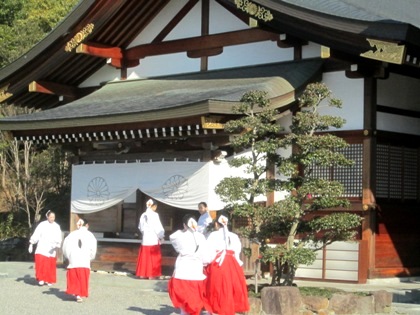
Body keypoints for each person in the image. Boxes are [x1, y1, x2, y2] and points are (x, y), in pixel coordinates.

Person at [204, 212, 250, 315]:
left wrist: (205, 263)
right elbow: (237, 252)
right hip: (232, 264)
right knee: (229, 289)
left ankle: (216, 310)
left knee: (216, 289)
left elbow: (208, 252)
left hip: (218, 264)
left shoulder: (213, 235)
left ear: (216, 224)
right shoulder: (234, 236)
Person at [168, 214, 209, 315]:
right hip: (196, 270)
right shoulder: (201, 237)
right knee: (195, 299)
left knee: (183, 298)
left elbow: (172, 237)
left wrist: (184, 229)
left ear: (184, 225)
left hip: (183, 269)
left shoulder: (180, 235)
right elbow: (206, 256)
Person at [62, 218, 97, 303]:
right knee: (82, 277)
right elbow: (93, 248)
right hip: (85, 259)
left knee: (74, 276)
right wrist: (91, 257)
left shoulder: (72, 234)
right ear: (87, 225)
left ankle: (76, 292)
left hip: (74, 259)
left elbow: (65, 247)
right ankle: (80, 294)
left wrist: (68, 257)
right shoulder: (90, 235)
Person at [28, 210, 62, 286]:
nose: (52, 218)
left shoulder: (57, 226)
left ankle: (49, 279)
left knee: (50, 265)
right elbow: (36, 234)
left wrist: (57, 244)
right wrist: (31, 243)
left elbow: (59, 237)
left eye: (53, 217)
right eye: (51, 217)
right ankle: (41, 278)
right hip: (42, 247)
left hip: (51, 249)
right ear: (47, 217)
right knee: (41, 263)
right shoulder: (42, 225)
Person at [135, 199, 165, 279]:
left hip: (145, 239)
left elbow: (140, 227)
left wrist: (144, 233)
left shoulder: (143, 215)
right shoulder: (155, 215)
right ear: (154, 206)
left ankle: (143, 274)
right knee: (153, 257)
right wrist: (161, 236)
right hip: (153, 239)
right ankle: (151, 275)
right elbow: (158, 227)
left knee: (145, 257)